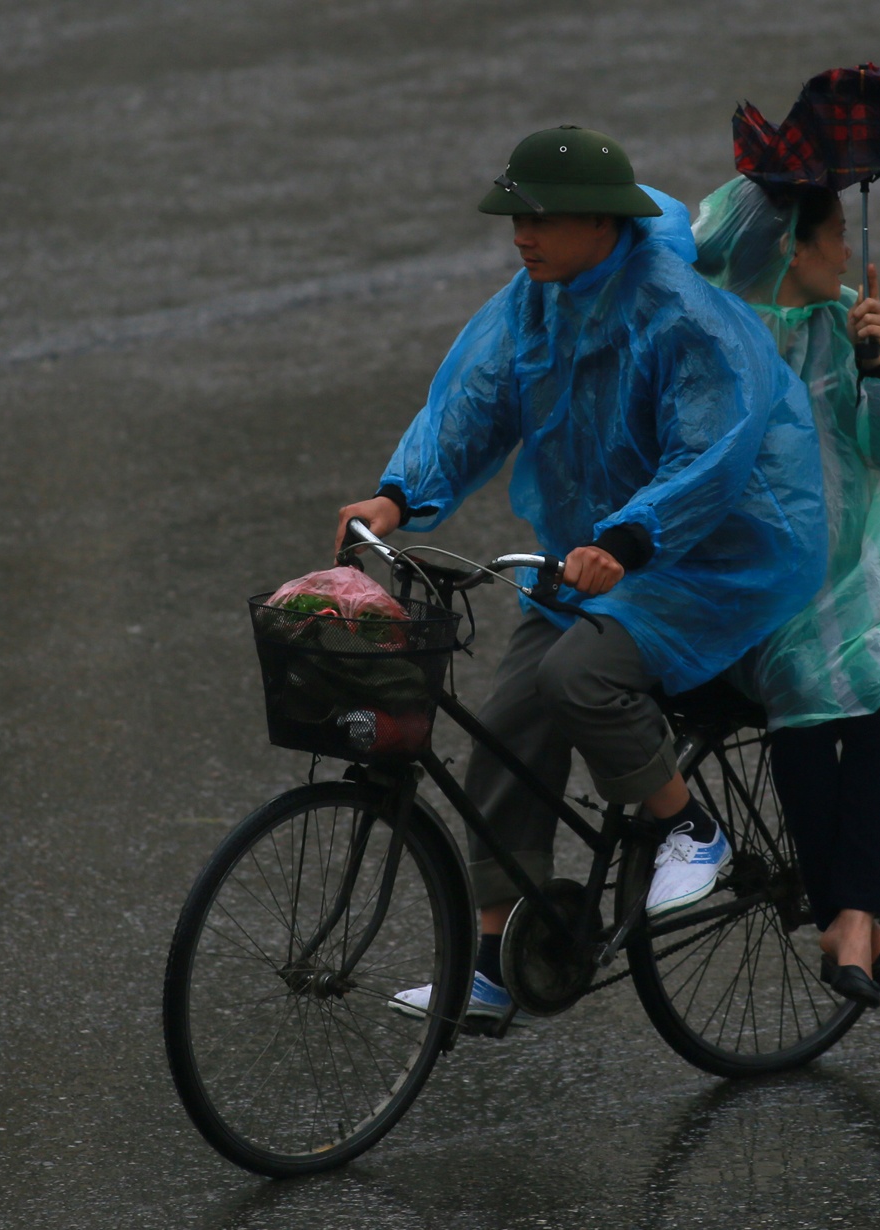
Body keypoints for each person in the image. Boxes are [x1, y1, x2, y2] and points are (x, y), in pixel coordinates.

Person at [336, 129, 827, 1022]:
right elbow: (472, 403)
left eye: (540, 216)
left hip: (705, 552)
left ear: (603, 220)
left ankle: (690, 828)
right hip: (590, 556)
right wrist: (395, 499)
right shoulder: (536, 300)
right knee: (506, 726)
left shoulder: (682, 314)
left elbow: (712, 452)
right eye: (514, 215)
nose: (521, 233)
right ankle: (494, 963)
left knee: (578, 676)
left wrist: (633, 540)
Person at [693, 176, 880, 1008]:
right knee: (809, 688)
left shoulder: (845, 324)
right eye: (833, 236)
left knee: (871, 680)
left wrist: (875, 362)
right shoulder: (721, 342)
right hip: (755, 582)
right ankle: (859, 920)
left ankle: (855, 919)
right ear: (791, 247)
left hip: (852, 572)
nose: (847, 251)